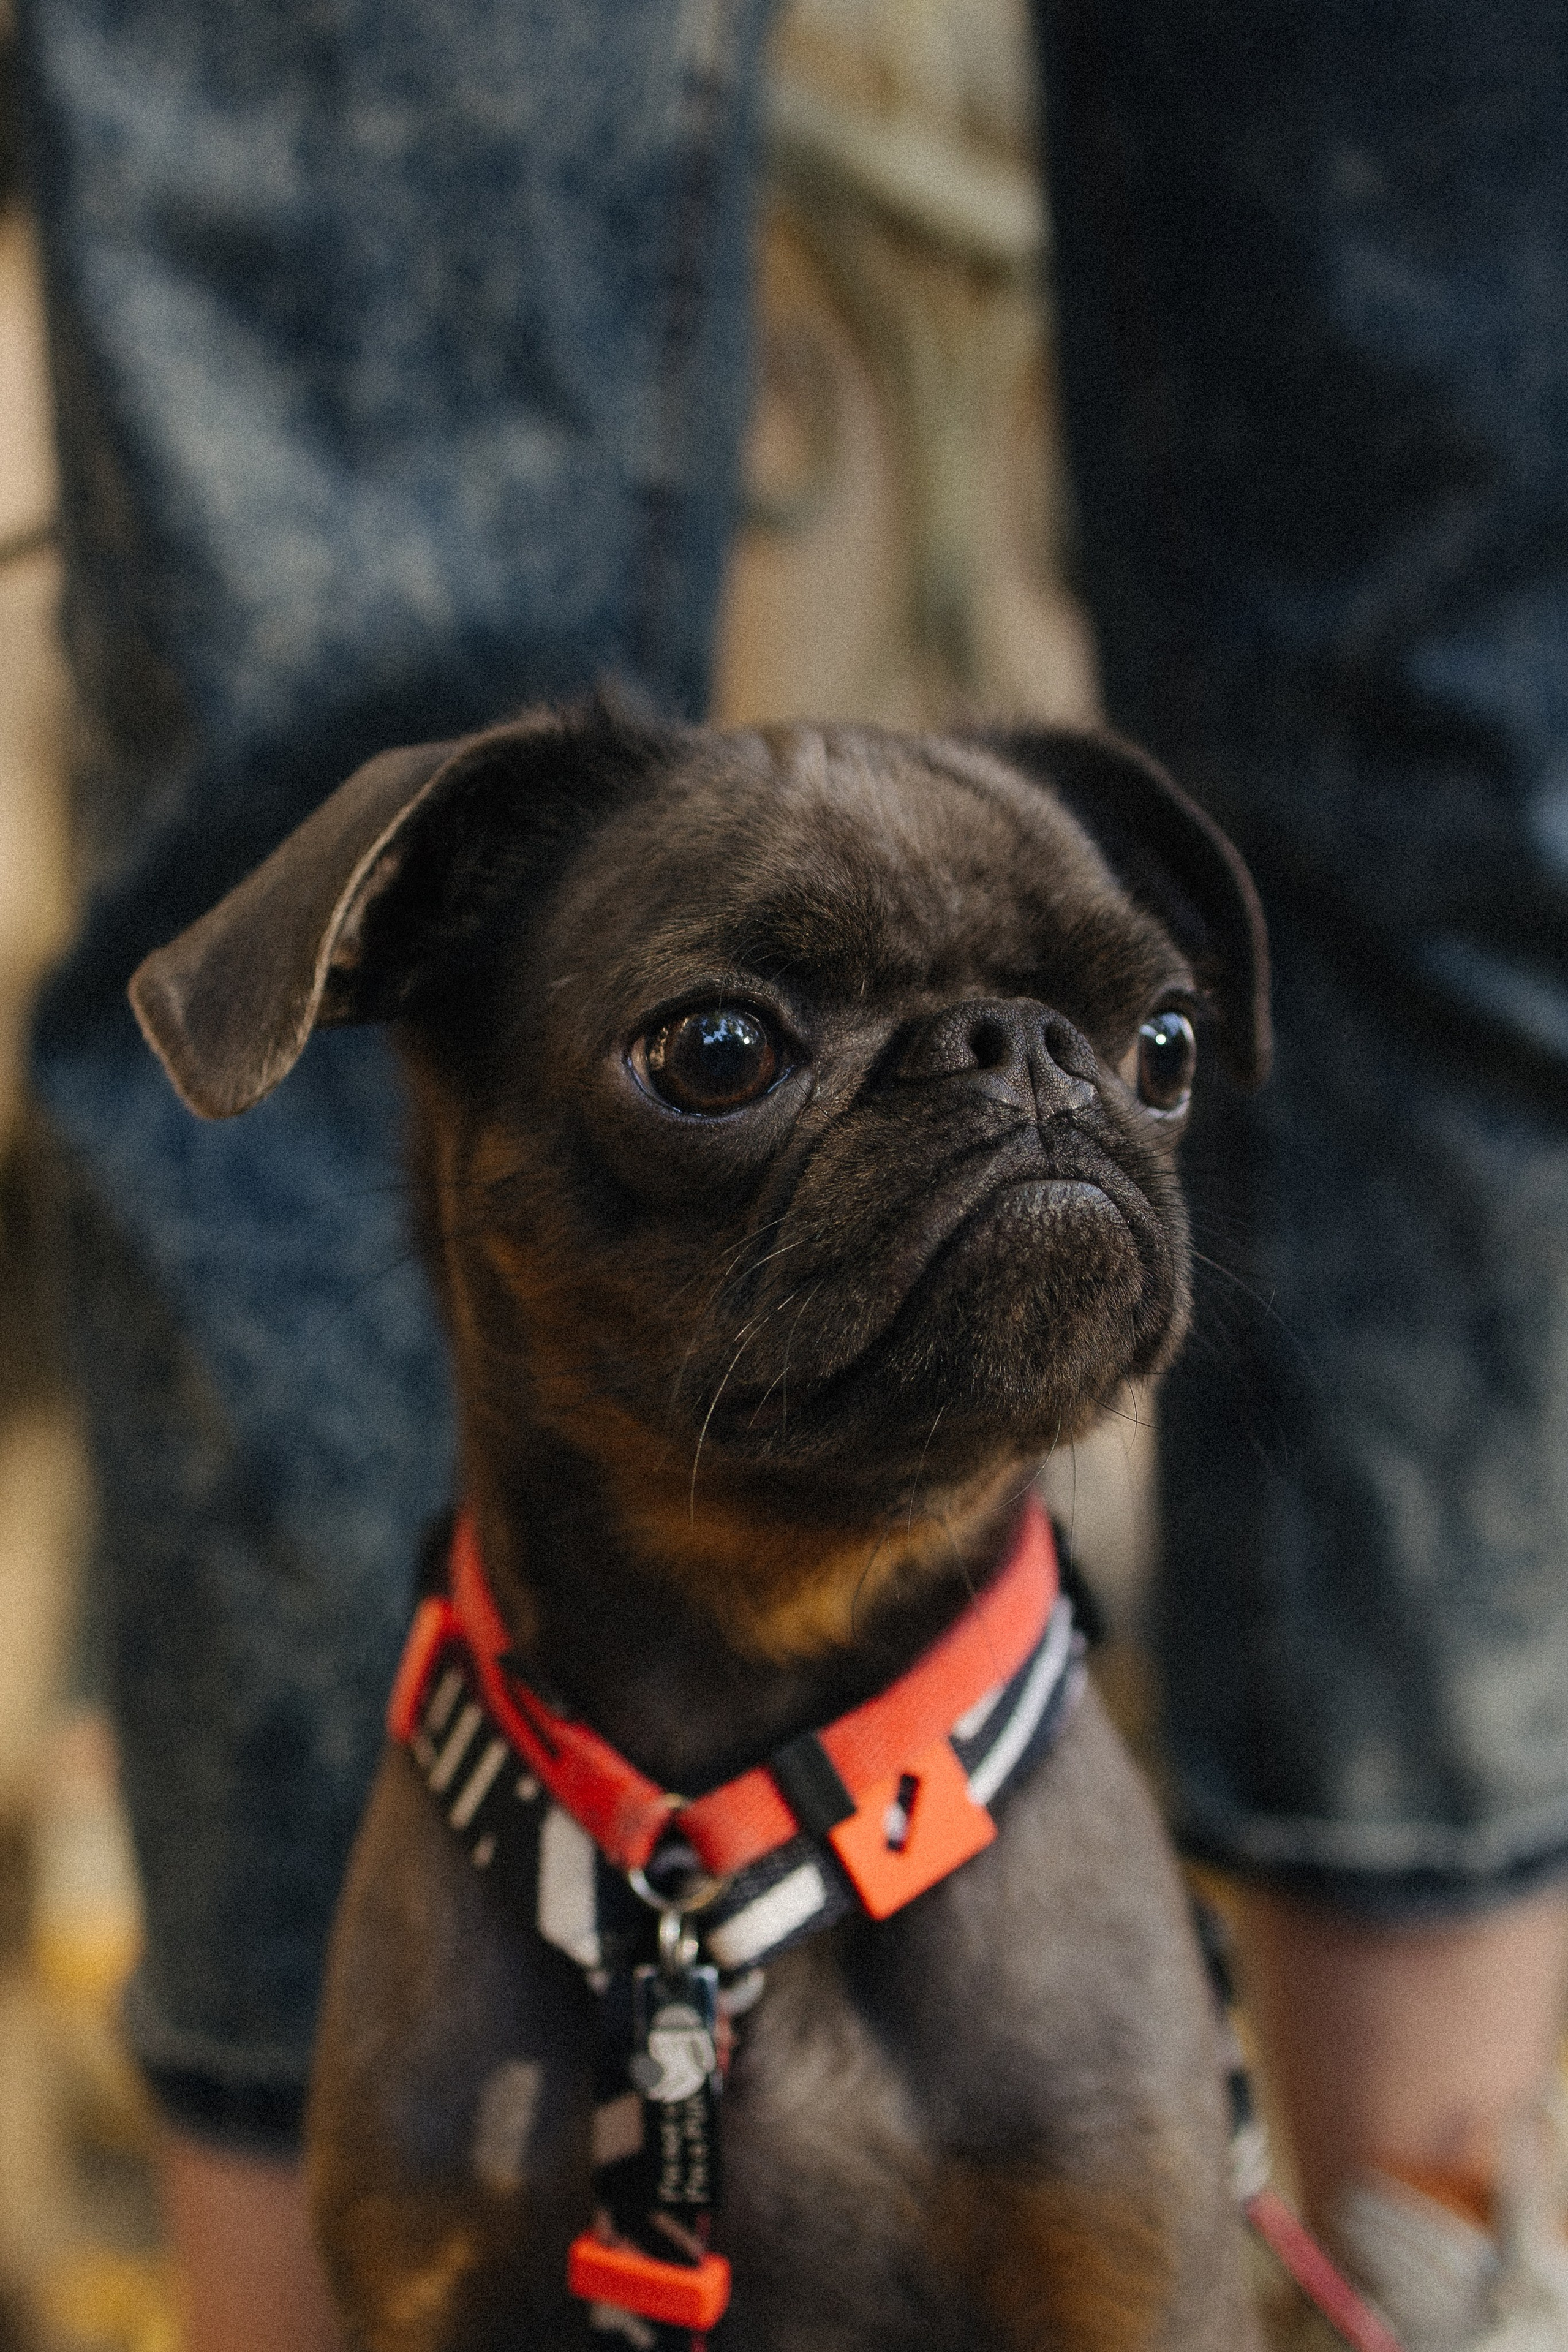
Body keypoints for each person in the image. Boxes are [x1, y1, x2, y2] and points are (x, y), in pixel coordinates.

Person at [14, 1, 1568, 2344]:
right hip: (491, 1884)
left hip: (993, 1872)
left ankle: (1445, 2253)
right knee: (306, 613)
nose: (1033, 1108)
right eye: (729, 1056)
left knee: (1427, 641)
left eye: (1133, 1048)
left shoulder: (1075, 2006)